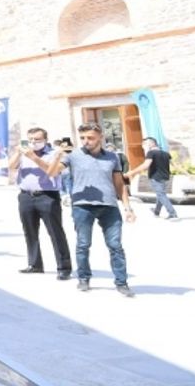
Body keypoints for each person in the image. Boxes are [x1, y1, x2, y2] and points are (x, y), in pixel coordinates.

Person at [47, 123, 138, 296]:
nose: (86, 141)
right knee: (83, 244)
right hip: (82, 206)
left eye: (90, 138)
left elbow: (119, 184)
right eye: (82, 138)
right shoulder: (73, 156)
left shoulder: (112, 157)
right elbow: (51, 174)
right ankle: (83, 278)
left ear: (100, 137)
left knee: (115, 246)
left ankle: (121, 282)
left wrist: (127, 208)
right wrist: (57, 156)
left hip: (109, 205)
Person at [9, 127, 72, 279]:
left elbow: (53, 171)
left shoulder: (53, 154)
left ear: (45, 139)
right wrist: (18, 152)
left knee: (55, 232)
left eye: (37, 139)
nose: (33, 142)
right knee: (29, 231)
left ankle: (63, 267)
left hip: (47, 196)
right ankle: (35, 264)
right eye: (31, 139)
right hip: (26, 196)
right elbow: (11, 166)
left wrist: (34, 158)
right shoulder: (24, 153)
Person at [125, 137, 179, 220]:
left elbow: (146, 165)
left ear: (152, 143)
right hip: (165, 177)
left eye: (146, 143)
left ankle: (172, 213)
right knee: (160, 194)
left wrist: (132, 172)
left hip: (155, 177)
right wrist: (188, 174)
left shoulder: (151, 153)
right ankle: (156, 211)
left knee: (161, 195)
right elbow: (175, 165)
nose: (144, 145)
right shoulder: (166, 153)